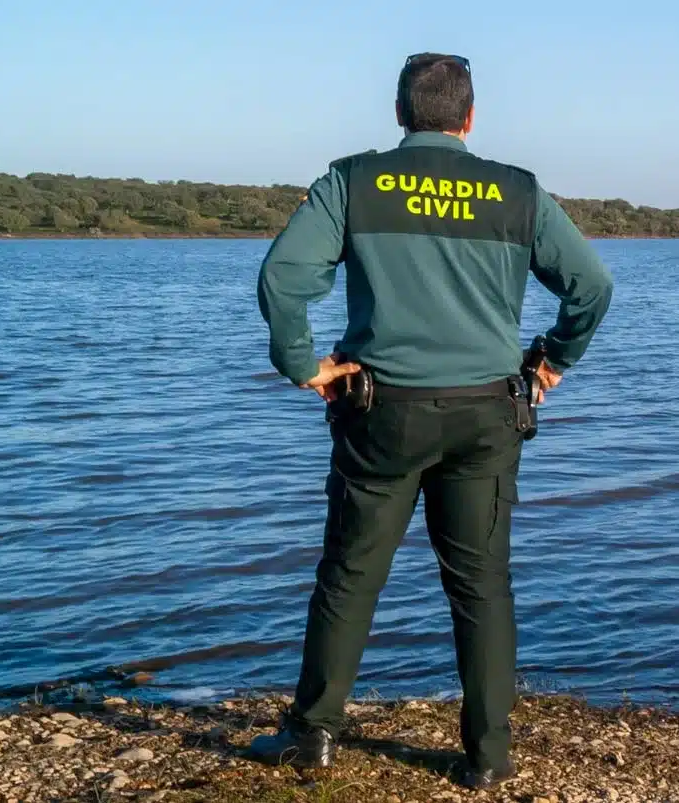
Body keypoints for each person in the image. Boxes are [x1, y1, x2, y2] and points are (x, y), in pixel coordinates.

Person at [249, 52, 614, 790]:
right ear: (469, 117)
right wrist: (550, 360)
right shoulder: (517, 192)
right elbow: (592, 286)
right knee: (482, 585)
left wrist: (303, 365)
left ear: (399, 113)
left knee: (350, 575)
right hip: (487, 415)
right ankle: (487, 756)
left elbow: (283, 277)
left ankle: (314, 735)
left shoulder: (354, 180)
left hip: (381, 416)